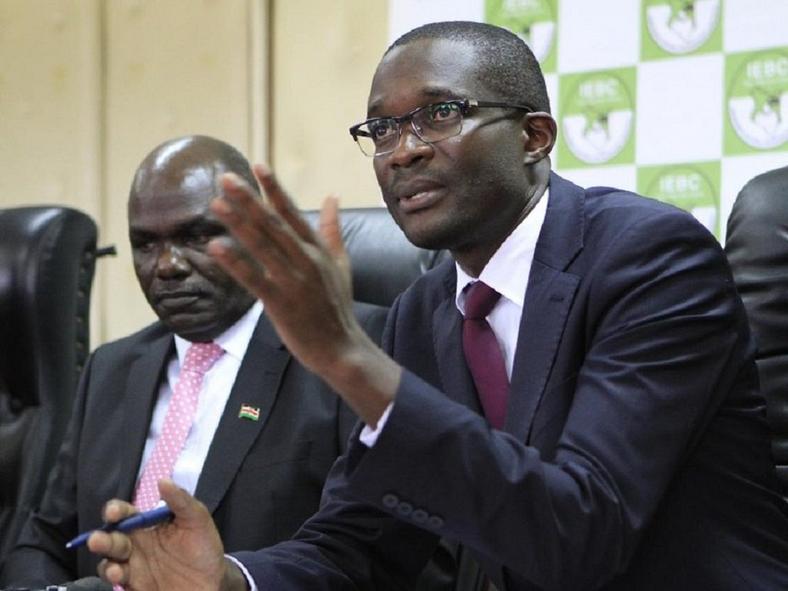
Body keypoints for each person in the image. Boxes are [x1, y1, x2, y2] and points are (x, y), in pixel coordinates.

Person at [89, 22, 788, 591]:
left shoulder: (650, 258)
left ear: (534, 136)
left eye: (439, 114)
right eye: (382, 130)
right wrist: (232, 578)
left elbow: (582, 533)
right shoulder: (423, 311)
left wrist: (349, 358)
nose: (402, 152)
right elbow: (362, 541)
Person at [0, 136, 388, 589]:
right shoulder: (111, 368)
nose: (167, 266)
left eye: (197, 236)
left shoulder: (352, 352)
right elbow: (43, 538)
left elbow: (377, 551)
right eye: (145, 244)